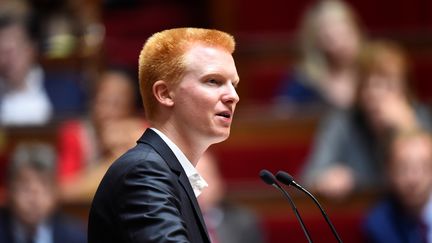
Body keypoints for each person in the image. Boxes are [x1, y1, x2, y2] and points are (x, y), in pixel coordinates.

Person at [88, 28, 240, 243]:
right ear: (165, 93)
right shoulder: (143, 172)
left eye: (233, 84)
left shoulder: (166, 171)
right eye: (213, 81)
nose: (233, 96)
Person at [301, 40, 432, 200]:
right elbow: (310, 177)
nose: (375, 94)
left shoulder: (419, 118)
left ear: (405, 89)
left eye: (387, 85)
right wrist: (325, 180)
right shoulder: (342, 122)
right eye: (368, 85)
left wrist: (408, 128)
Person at [57, 68, 146, 202]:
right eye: (102, 101)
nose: (106, 112)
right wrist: (117, 160)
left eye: (117, 104)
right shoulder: (75, 133)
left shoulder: (142, 132)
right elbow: (64, 191)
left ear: (131, 109)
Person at [275, 0, 363, 111]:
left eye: (345, 34)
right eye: (331, 39)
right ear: (317, 44)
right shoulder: (303, 81)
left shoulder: (374, 70)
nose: (341, 44)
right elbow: (281, 116)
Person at [0, 142, 86, 243]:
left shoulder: (77, 237)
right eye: (25, 186)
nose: (34, 197)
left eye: (44, 185)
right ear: (10, 190)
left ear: (55, 192)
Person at [363, 130, 432, 243]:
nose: (413, 179)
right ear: (388, 172)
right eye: (403, 168)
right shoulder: (379, 224)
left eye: (423, 167)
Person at [196, 152, 264, 243]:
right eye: (191, 179)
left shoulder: (244, 222)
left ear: (219, 183)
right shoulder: (173, 221)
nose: (198, 186)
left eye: (204, 177)